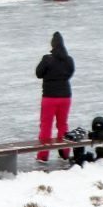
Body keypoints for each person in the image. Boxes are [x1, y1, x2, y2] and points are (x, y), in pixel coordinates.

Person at [35, 32, 75, 163]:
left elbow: (38, 73)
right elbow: (70, 73)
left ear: (52, 44)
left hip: (49, 97)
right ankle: (64, 153)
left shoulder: (47, 59)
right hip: (65, 97)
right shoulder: (69, 60)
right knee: (63, 124)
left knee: (46, 126)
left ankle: (43, 156)